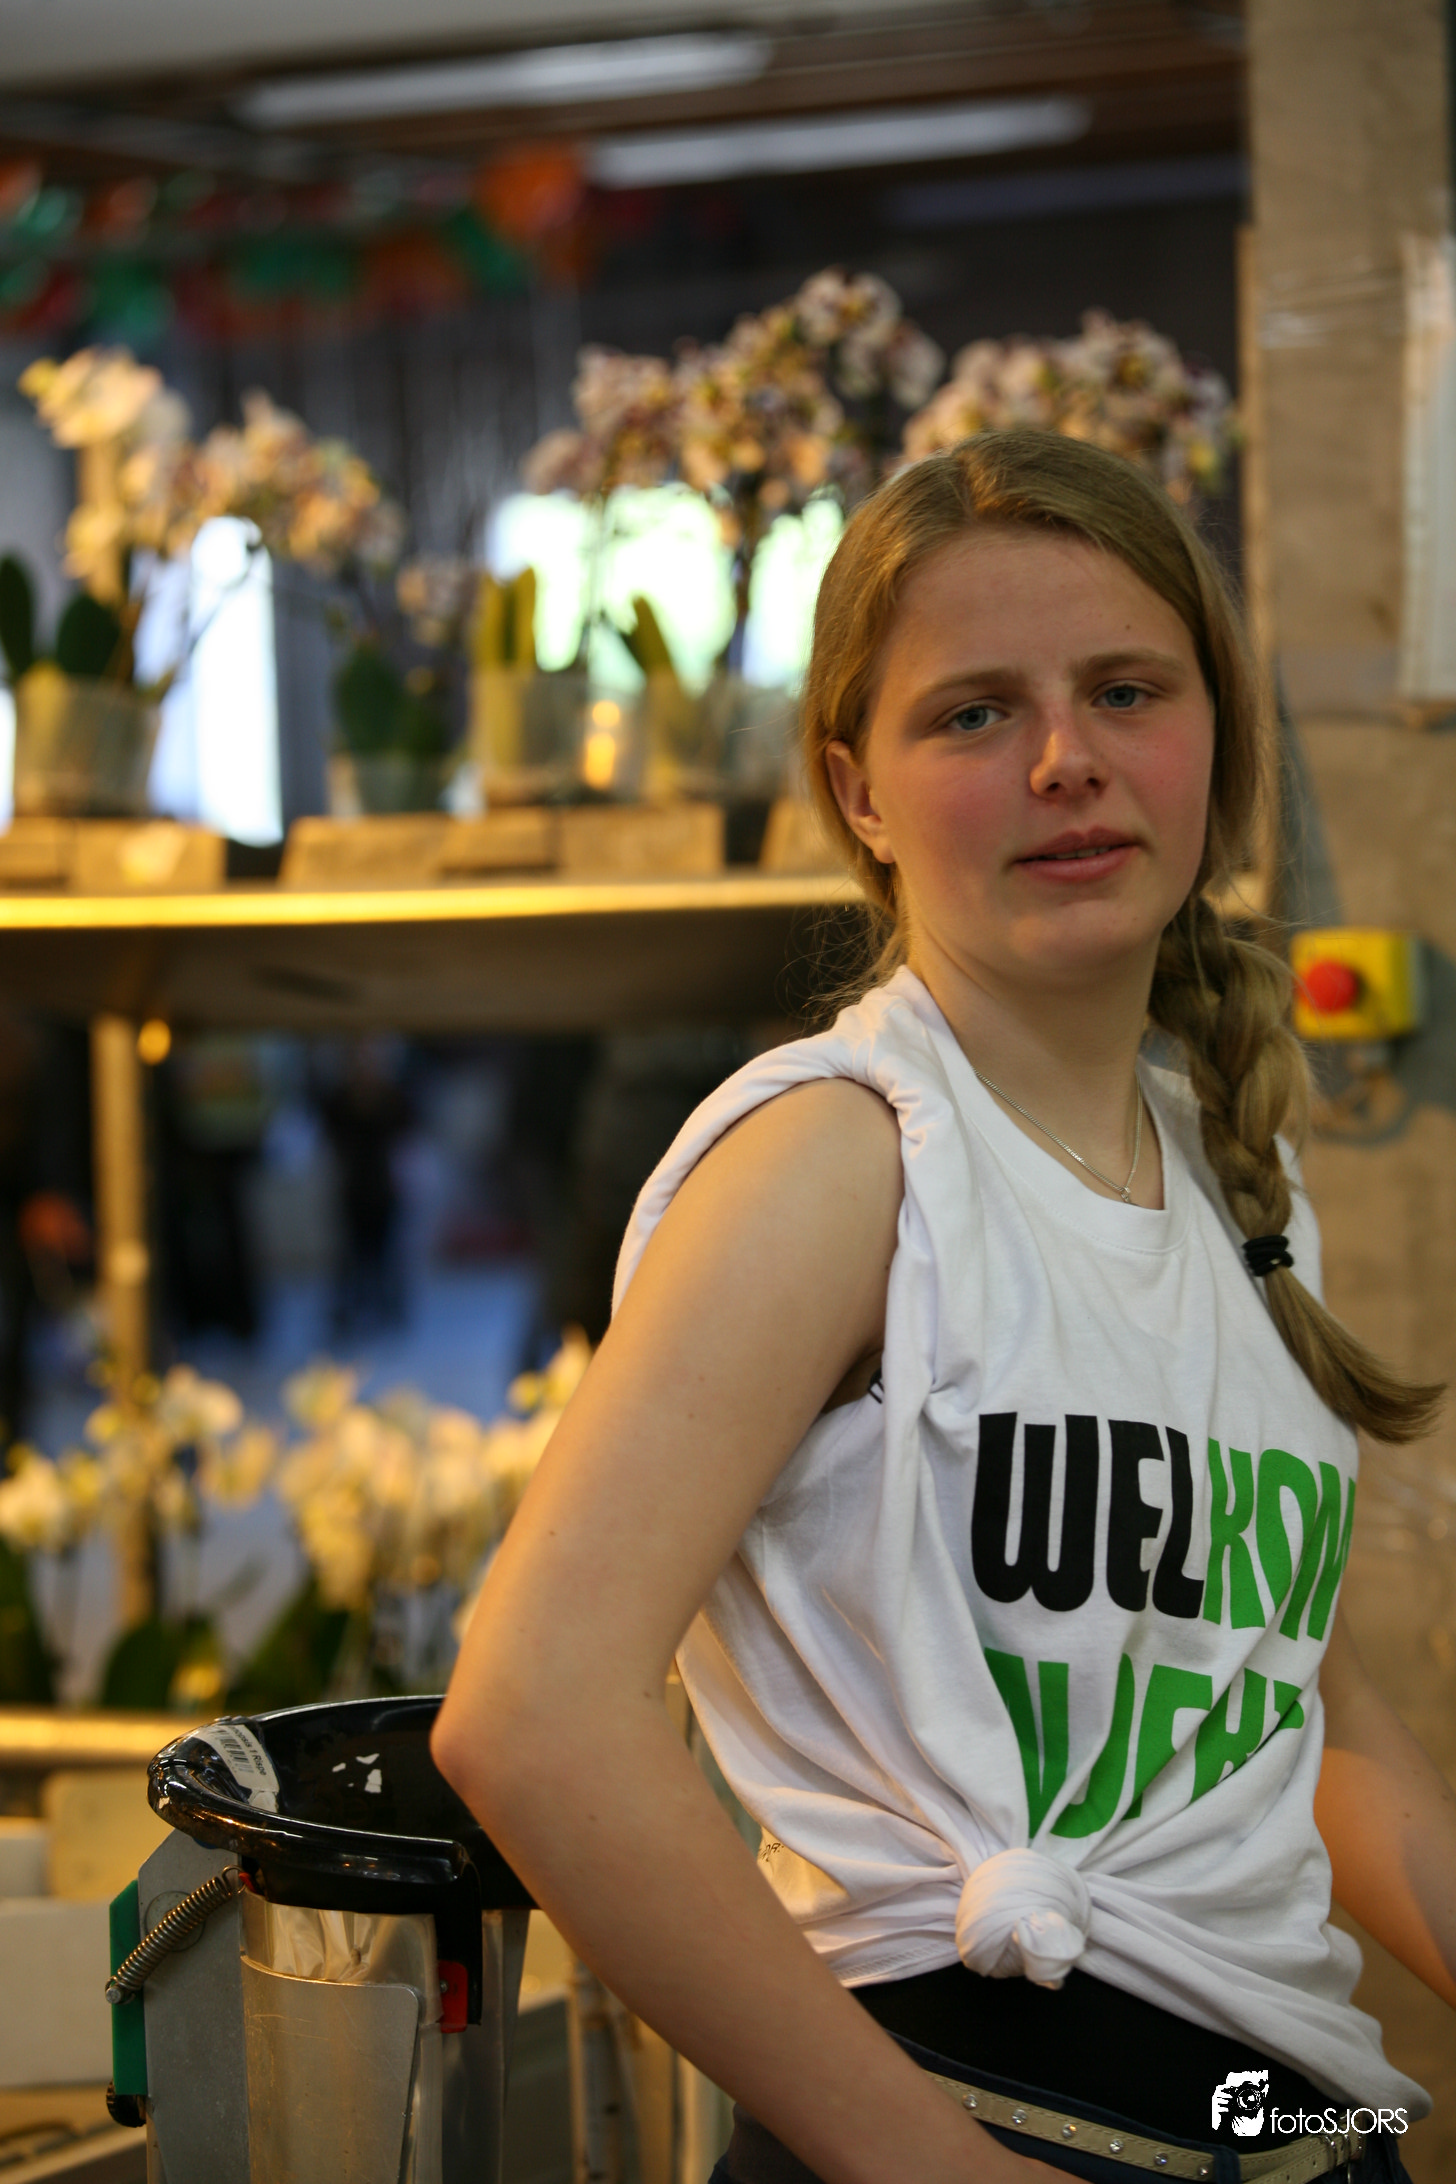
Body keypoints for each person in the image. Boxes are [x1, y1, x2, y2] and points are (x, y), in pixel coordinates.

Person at [434, 432, 1456, 2184]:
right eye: (975, 714)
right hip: (989, 2114)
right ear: (858, 792)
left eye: (1126, 690)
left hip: (1295, 2123)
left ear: (1215, 733)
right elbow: (531, 1717)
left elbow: (1305, 1715)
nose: (1069, 759)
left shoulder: (1238, 1174)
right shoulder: (839, 1162)